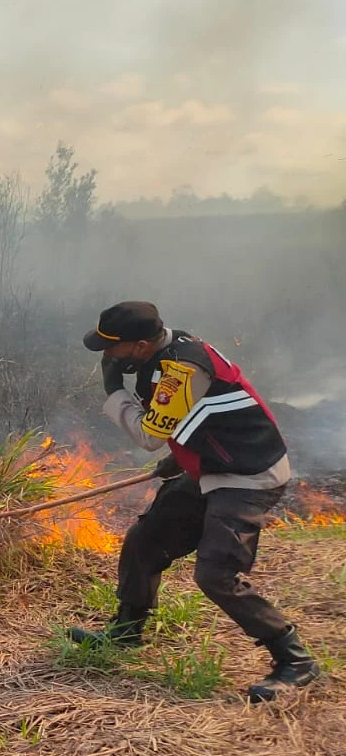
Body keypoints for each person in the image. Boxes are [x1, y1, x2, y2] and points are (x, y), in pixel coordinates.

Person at [69, 301, 320, 703]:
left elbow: (150, 434)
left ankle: (295, 659)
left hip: (247, 475)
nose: (107, 355)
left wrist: (115, 393)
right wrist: (181, 455)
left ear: (140, 345)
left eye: (112, 347)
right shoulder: (164, 353)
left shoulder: (183, 367)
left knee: (215, 574)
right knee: (145, 539)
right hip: (211, 466)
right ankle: (127, 630)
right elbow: (198, 413)